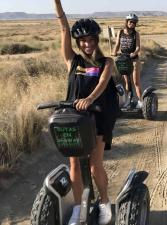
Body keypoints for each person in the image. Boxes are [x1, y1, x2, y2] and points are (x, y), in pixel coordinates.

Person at [54, 0, 119, 224]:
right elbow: (63, 27)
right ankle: (78, 208)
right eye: (83, 40)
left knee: (94, 164)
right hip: (76, 118)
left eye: (91, 39)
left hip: (100, 115)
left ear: (96, 40)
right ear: (78, 42)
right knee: (74, 164)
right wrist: (57, 3)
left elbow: (102, 82)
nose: (87, 44)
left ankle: (104, 201)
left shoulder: (106, 62)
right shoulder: (72, 61)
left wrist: (90, 98)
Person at [112, 13, 142, 108]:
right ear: (127, 22)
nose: (132, 24)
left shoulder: (135, 34)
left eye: (134, 22)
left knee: (136, 82)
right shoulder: (120, 32)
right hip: (124, 58)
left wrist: (135, 53)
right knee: (127, 82)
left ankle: (140, 101)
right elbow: (117, 44)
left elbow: (138, 47)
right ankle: (129, 100)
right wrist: (114, 52)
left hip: (133, 60)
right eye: (131, 22)